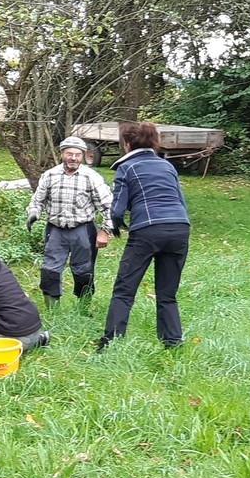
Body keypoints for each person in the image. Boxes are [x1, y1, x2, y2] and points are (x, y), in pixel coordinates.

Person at [98, 121, 191, 350]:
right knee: (167, 293)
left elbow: (117, 208)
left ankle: (110, 343)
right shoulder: (167, 166)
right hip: (180, 227)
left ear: (127, 144)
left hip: (147, 230)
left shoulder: (126, 168)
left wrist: (117, 226)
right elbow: (180, 200)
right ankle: (172, 342)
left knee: (124, 290)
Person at [26, 135, 113, 310]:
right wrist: (33, 214)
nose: (73, 158)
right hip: (55, 230)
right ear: (62, 154)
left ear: (82, 155)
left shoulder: (91, 177)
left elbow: (109, 206)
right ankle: (52, 311)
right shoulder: (49, 176)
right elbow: (37, 201)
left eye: (77, 155)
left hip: (83, 230)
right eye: (69, 154)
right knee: (49, 271)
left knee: (83, 271)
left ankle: (83, 309)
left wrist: (105, 230)